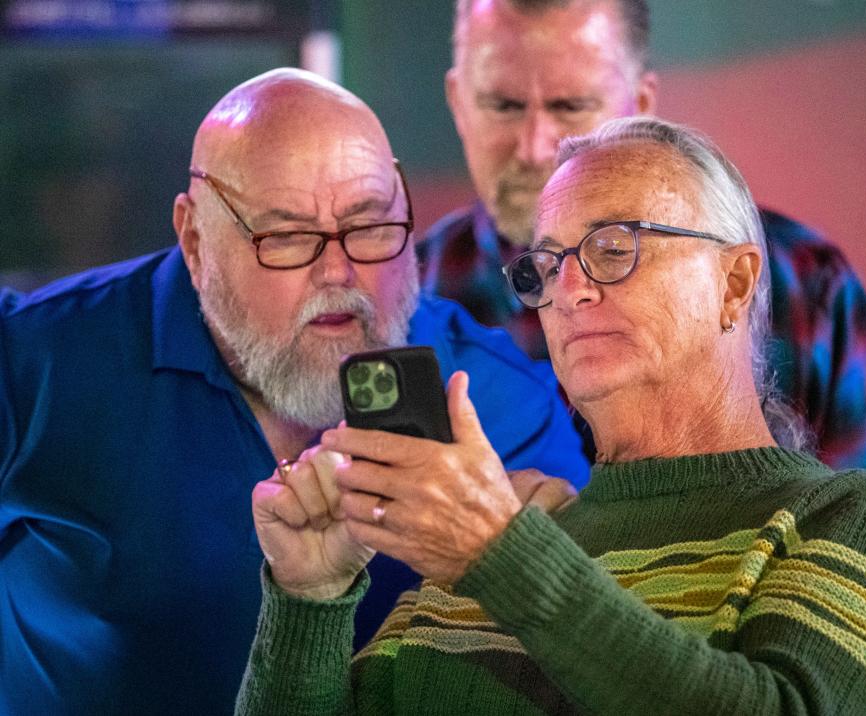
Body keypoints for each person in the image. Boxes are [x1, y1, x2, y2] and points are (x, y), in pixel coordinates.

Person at [237, 117, 866, 715]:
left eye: (614, 249)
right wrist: (310, 600)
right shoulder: (491, 548)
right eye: (545, 268)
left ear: (734, 283)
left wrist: (499, 552)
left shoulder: (859, 519)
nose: (570, 290)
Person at [0, 68, 589, 716]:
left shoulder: (497, 402)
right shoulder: (36, 363)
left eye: (369, 227)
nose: (338, 271)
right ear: (195, 240)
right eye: (286, 238)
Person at [417, 0, 866, 598]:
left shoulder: (800, 279)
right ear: (456, 100)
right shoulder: (415, 295)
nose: (535, 145)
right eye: (503, 105)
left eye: (572, 106)